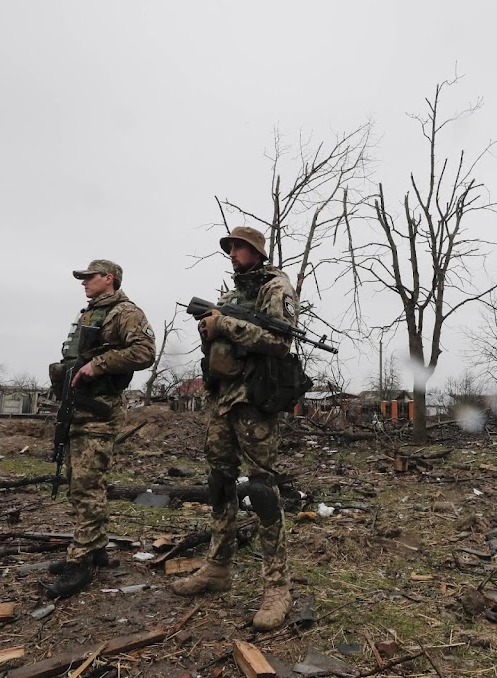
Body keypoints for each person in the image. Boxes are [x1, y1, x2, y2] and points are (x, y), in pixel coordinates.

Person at [171, 226, 298, 631]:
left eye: (239, 247)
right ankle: (217, 567)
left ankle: (277, 587)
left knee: (261, 488)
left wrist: (226, 326)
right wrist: (210, 330)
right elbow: (217, 339)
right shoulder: (229, 295)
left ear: (257, 251)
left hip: (255, 399)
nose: (232, 253)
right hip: (223, 398)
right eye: (229, 248)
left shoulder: (276, 286)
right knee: (219, 483)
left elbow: (281, 341)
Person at [44, 259, 155, 598]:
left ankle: (80, 563)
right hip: (79, 407)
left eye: (89, 277)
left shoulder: (125, 313)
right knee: (81, 482)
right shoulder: (89, 312)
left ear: (109, 279)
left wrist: (99, 364)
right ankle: (95, 549)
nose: (83, 283)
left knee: (87, 487)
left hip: (99, 410)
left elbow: (144, 351)